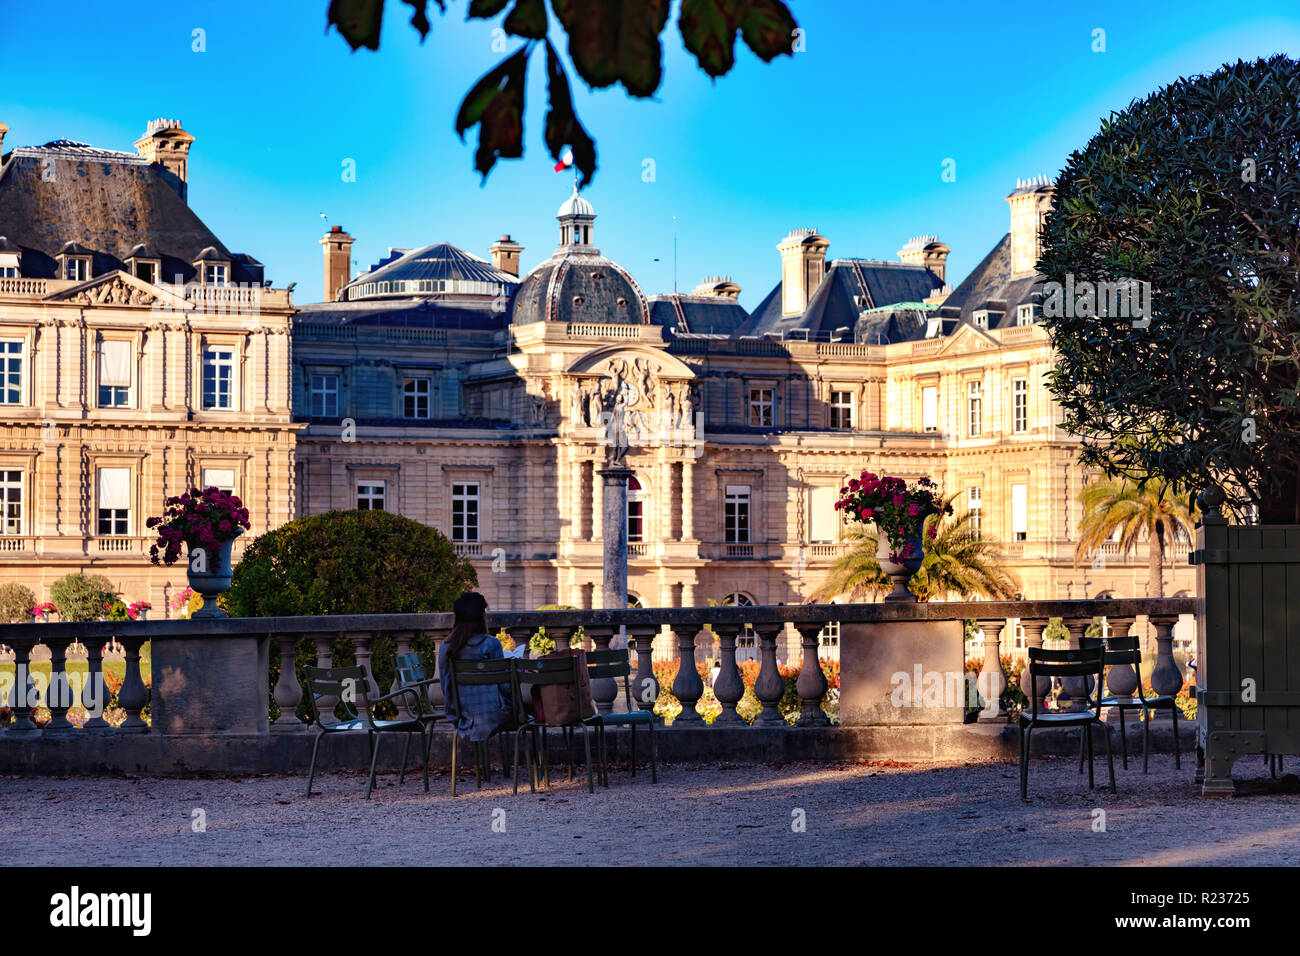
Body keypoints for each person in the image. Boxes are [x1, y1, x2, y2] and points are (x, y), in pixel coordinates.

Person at [438, 592, 518, 741]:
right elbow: (505, 687)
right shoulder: (490, 644)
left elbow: (445, 686)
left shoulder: (446, 646)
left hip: (461, 715)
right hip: (494, 716)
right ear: (482, 617)